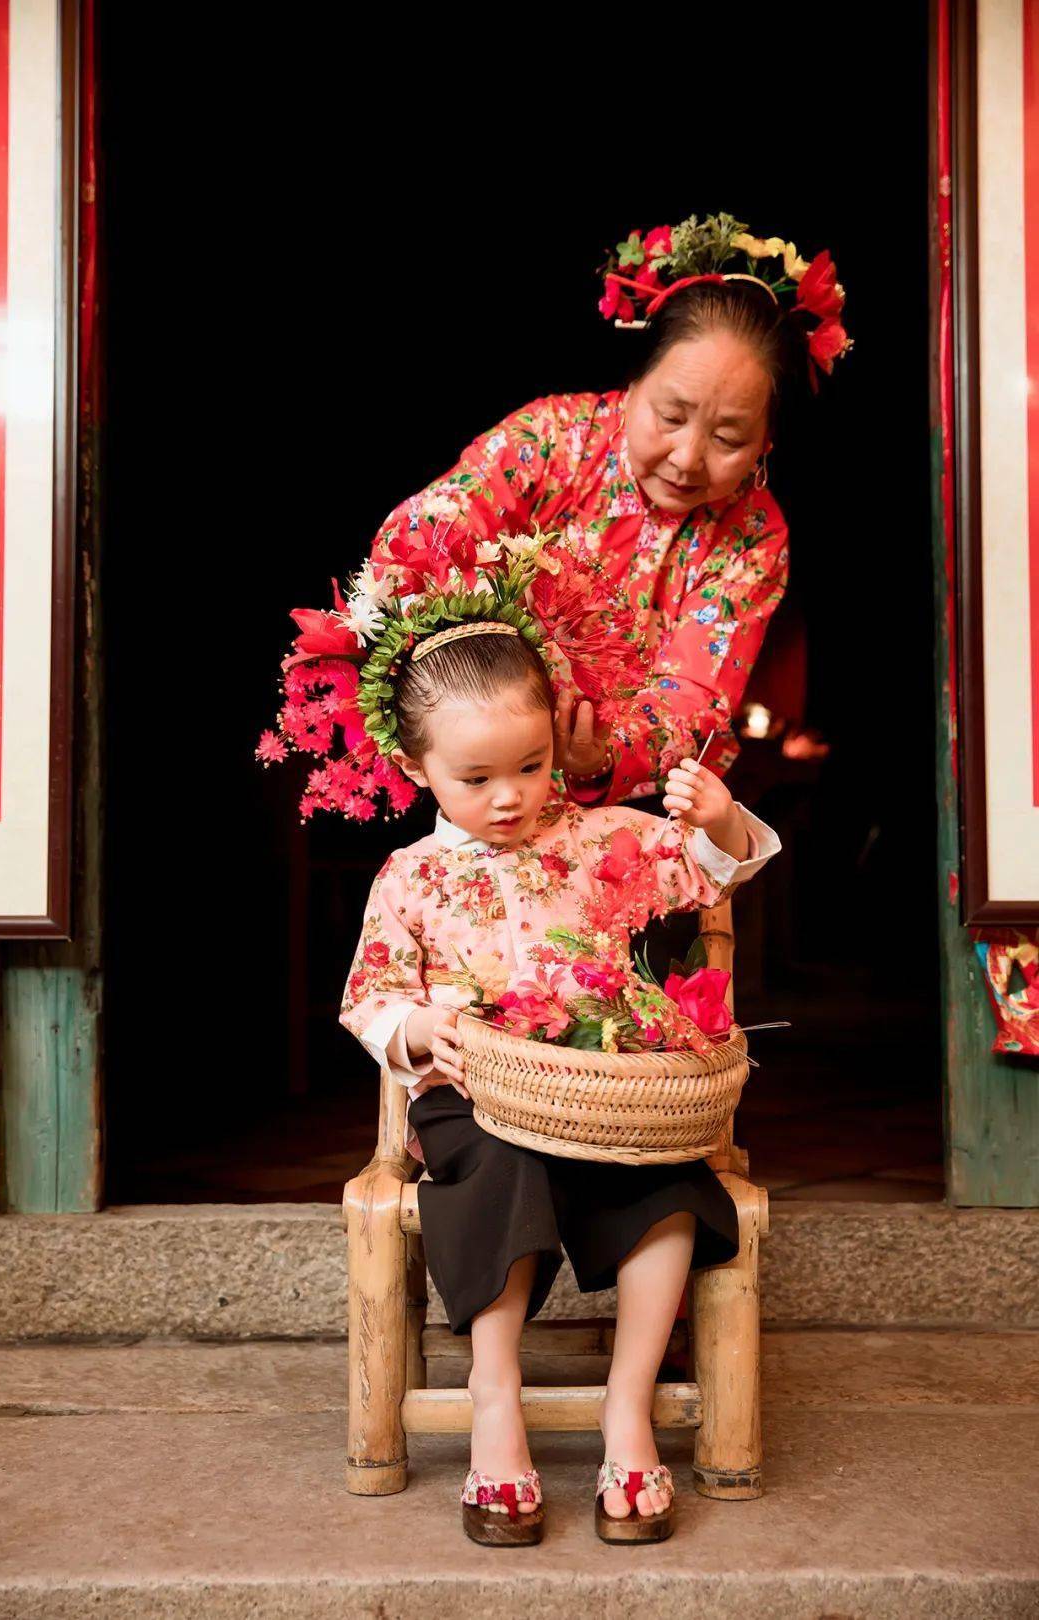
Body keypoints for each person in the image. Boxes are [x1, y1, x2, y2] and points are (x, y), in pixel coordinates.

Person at [333, 620, 780, 1545]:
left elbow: (710, 870)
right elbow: (370, 996)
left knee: (668, 1188)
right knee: (495, 1170)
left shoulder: (605, 837)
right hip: (474, 1100)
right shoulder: (409, 877)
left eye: (531, 767)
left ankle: (629, 1405)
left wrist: (719, 816)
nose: (509, 798)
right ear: (419, 768)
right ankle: (495, 1397)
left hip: (604, 1090)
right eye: (475, 779)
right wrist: (417, 1029)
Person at [366, 218, 850, 805]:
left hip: (637, 809)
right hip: (481, 782)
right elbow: (423, 531)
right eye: (671, 417)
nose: (688, 458)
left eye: (728, 439)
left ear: (766, 443)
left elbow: (694, 696)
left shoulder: (754, 534)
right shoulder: (551, 440)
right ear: (632, 383)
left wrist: (606, 750)